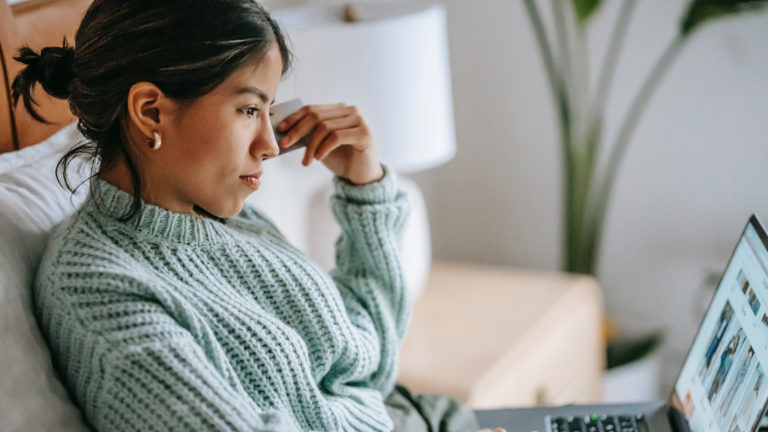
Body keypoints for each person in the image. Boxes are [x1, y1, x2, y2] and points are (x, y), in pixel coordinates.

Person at [11, 1, 504, 431]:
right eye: (249, 110)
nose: (269, 146)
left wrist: (365, 189)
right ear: (150, 111)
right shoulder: (97, 288)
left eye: (269, 112)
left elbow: (364, 366)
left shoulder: (224, 220)